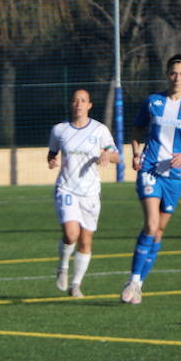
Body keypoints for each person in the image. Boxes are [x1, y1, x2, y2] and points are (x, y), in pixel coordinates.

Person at [121, 55, 181, 305]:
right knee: (151, 225)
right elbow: (137, 129)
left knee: (160, 231)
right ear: (167, 74)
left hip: (175, 177)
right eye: (173, 73)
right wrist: (136, 153)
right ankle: (133, 280)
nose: (177, 78)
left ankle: (139, 283)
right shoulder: (153, 101)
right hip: (150, 170)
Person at [46, 88, 118, 298]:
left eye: (83, 100)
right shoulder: (59, 130)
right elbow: (52, 153)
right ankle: (62, 266)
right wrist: (51, 160)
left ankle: (76, 284)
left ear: (89, 105)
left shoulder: (99, 130)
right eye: (76, 100)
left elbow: (116, 156)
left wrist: (106, 155)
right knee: (71, 234)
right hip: (66, 188)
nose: (79, 104)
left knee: (85, 241)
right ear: (71, 104)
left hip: (91, 192)